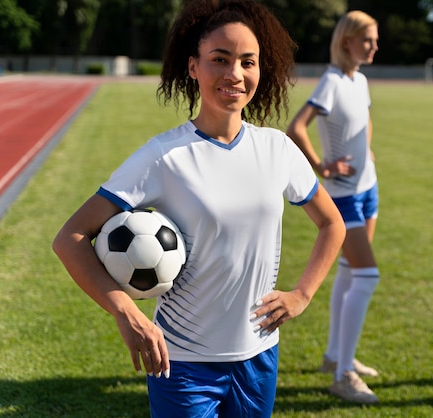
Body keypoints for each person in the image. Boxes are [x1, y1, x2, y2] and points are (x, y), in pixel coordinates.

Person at [52, 1, 346, 416]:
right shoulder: (162, 156)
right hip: (182, 361)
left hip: (258, 355)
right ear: (193, 67)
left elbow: (331, 223)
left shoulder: (277, 148)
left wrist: (302, 294)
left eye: (248, 62)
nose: (235, 74)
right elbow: (71, 238)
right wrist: (126, 312)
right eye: (219, 60)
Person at [286, 10, 381, 404]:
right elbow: (296, 128)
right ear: (347, 42)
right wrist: (323, 164)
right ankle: (343, 376)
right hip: (341, 194)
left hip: (368, 188)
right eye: (368, 40)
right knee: (367, 275)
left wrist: (368, 155)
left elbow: (366, 124)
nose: (375, 46)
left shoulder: (359, 80)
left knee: (348, 271)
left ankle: (334, 356)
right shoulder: (332, 80)